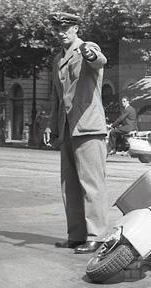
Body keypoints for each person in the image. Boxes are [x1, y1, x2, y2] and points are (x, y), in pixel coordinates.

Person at [47, 11, 109, 254]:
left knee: (92, 184)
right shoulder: (57, 59)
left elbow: (99, 60)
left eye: (65, 28)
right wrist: (52, 126)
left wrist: (90, 54)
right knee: (70, 185)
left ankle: (97, 236)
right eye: (57, 29)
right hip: (67, 128)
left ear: (75, 28)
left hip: (88, 127)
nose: (60, 33)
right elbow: (57, 97)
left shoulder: (87, 47)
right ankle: (76, 235)